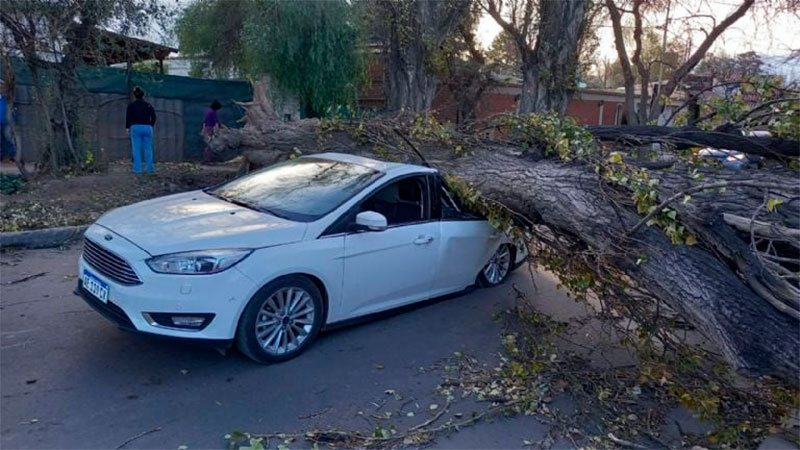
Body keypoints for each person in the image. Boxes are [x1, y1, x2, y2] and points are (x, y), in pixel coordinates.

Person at [125, 86, 156, 173]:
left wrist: (127, 127)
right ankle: (150, 169)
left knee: (136, 149)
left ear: (134, 95)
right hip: (147, 127)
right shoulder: (148, 105)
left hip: (135, 127)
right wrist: (151, 125)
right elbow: (154, 116)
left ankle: (137, 169)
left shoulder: (131, 106)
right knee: (148, 148)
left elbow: (128, 118)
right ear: (143, 95)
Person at [0, 81, 17, 163]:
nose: (1, 89)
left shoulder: (7, 99)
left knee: (8, 138)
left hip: (7, 121)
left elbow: (12, 110)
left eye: (2, 87)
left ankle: (12, 155)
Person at [202, 99, 222, 164]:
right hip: (210, 128)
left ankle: (207, 160)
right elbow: (216, 121)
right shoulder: (213, 112)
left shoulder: (208, 111)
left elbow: (205, 121)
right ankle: (208, 160)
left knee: (208, 144)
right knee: (210, 145)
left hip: (206, 128)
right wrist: (220, 126)